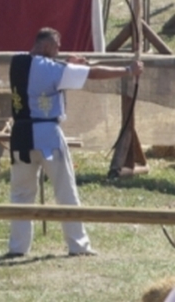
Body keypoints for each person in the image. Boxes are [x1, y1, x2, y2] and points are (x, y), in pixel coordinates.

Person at [8, 27, 142, 257]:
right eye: (57, 47)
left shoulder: (17, 62)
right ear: (47, 45)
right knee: (65, 190)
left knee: (21, 194)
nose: (59, 51)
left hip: (20, 136)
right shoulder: (50, 69)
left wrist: (68, 64)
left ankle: (17, 248)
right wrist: (128, 70)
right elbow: (92, 73)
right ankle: (78, 245)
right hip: (46, 135)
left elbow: (43, 71)